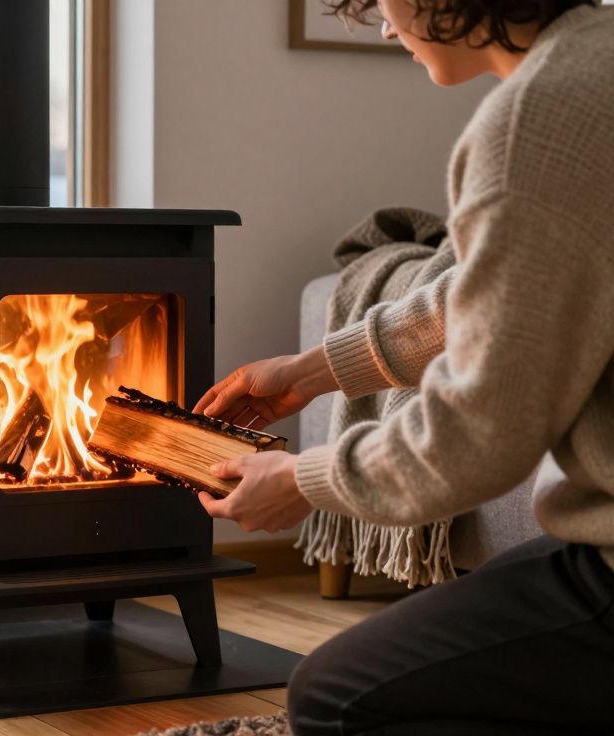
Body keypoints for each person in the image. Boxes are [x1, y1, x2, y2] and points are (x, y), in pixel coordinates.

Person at [191, 1, 614, 733]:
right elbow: (486, 294)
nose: (386, 27)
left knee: (330, 698)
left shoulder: (535, 120)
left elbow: (478, 432)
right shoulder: (596, 62)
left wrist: (302, 480)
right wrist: (311, 371)